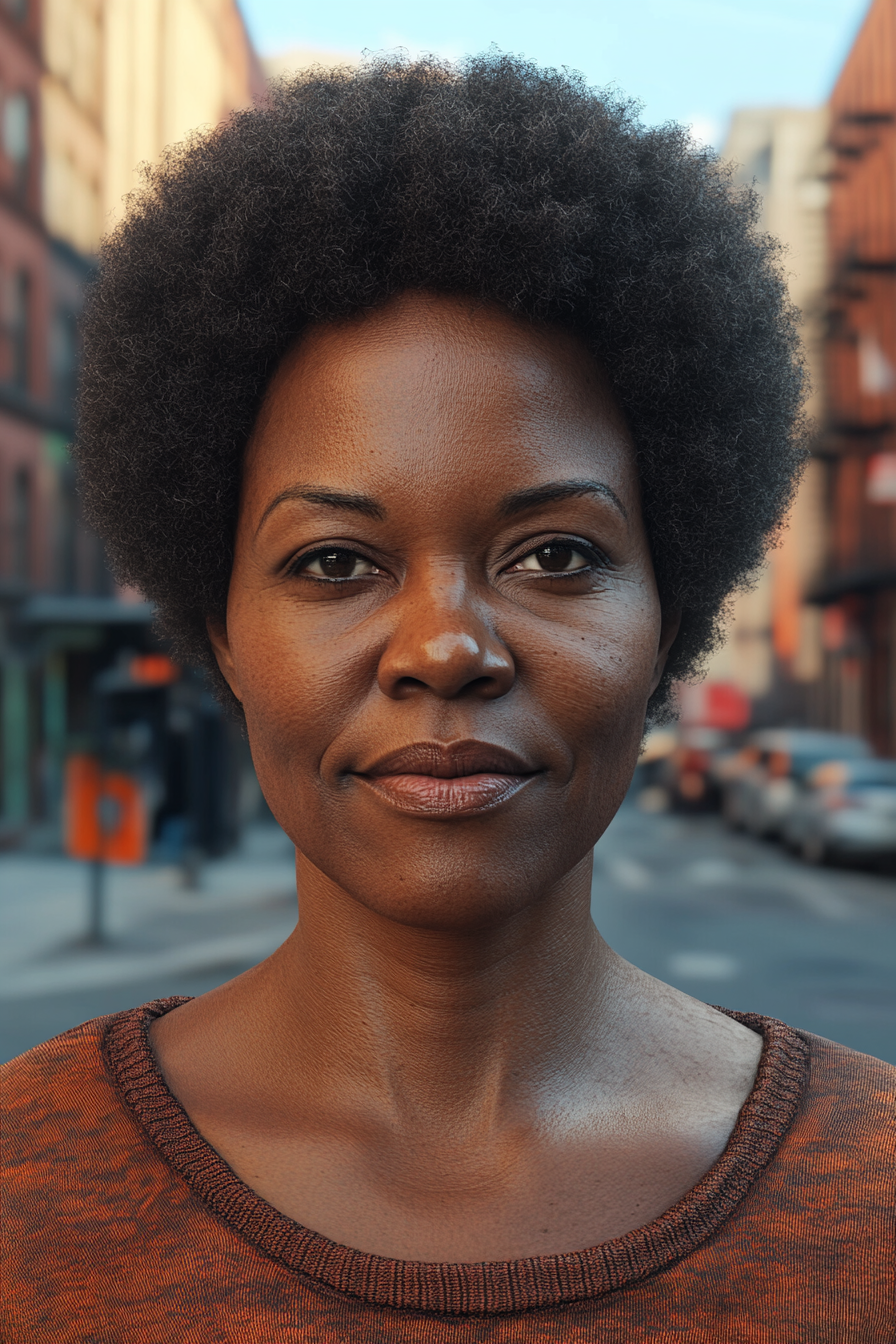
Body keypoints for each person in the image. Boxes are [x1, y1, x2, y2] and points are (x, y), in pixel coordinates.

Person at [3, 56, 893, 1343]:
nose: (444, 648)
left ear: (669, 617)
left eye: (555, 555)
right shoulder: (22, 1194)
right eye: (333, 563)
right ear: (223, 633)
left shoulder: (869, 1206)